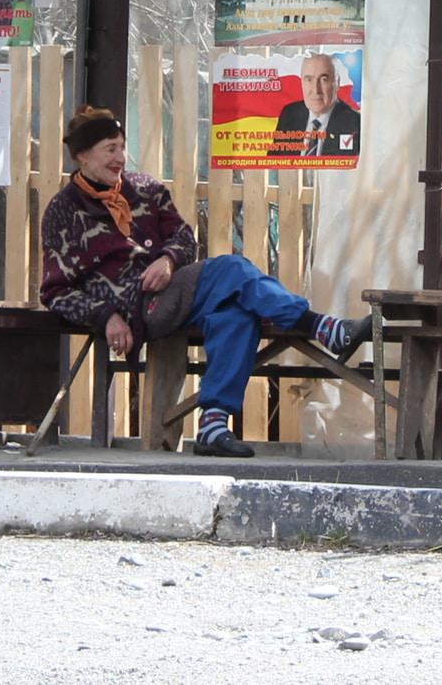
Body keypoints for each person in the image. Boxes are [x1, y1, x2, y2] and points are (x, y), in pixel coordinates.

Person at [40, 105, 372, 457]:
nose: (120, 157)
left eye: (122, 147)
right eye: (110, 149)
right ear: (83, 155)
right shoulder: (63, 212)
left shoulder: (145, 189)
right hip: (137, 308)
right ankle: (320, 327)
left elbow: (184, 237)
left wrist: (168, 260)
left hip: (175, 292)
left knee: (235, 314)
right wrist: (106, 316)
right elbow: (55, 291)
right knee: (231, 268)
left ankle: (213, 425)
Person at [269, 52, 360, 158]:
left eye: (324, 79)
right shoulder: (289, 114)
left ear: (337, 82)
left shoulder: (354, 123)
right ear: (302, 82)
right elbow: (272, 162)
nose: (316, 90)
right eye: (309, 79)